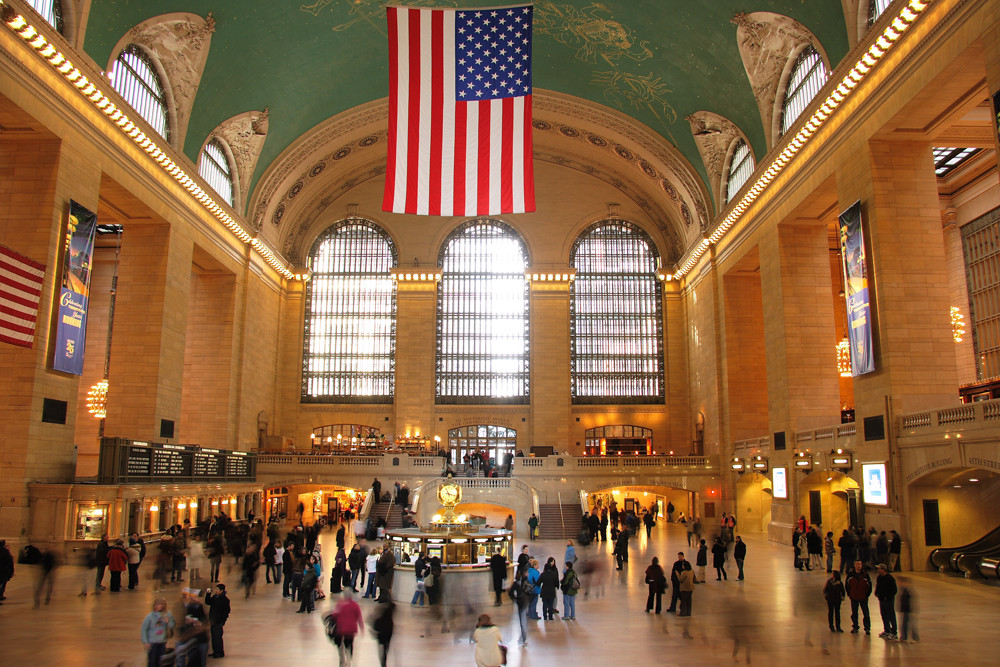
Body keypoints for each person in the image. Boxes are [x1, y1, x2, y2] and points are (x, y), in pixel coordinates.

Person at [327, 589, 364, 666]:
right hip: (351, 629)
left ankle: (342, 658)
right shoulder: (355, 605)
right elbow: (359, 617)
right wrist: (362, 628)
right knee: (350, 643)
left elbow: (334, 615)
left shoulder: (340, 604)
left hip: (341, 628)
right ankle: (349, 658)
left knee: (340, 644)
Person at [141, 597, 175, 667]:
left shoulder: (168, 614)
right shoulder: (150, 616)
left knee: (161, 662)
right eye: (156, 605)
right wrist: (145, 641)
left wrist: (167, 621)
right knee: (152, 662)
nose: (157, 606)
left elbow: (172, 625)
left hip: (162, 642)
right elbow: (144, 629)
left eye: (159, 605)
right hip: (152, 643)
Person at [846, 560, 872, 635]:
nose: (859, 566)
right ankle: (855, 627)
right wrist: (850, 594)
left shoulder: (865, 575)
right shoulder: (850, 575)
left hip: (863, 597)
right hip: (854, 597)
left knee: (866, 613)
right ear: (854, 565)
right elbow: (847, 585)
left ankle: (867, 628)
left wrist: (866, 595)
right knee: (854, 613)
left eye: (860, 564)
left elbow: (869, 586)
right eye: (857, 564)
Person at [204, 583, 231, 658]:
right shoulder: (215, 597)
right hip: (213, 620)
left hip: (218, 621)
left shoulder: (225, 600)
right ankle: (215, 651)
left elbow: (227, 611)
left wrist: (223, 621)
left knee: (218, 637)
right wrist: (208, 594)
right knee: (213, 637)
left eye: (217, 589)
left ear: (221, 590)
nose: (216, 591)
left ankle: (220, 652)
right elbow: (208, 602)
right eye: (216, 589)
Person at [874, 563, 898, 640]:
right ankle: (887, 630)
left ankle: (894, 632)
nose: (878, 570)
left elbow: (894, 590)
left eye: (879, 568)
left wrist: (887, 597)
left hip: (888, 600)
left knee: (891, 616)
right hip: (881, 600)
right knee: (884, 615)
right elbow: (878, 586)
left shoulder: (890, 578)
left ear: (883, 569)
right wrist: (877, 593)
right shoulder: (879, 578)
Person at [509, 568, 531, 645]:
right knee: (524, 619)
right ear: (524, 573)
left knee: (522, 620)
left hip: (520, 603)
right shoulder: (526, 582)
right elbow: (530, 591)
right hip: (525, 602)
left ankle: (523, 636)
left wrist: (515, 599)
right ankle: (524, 637)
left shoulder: (516, 583)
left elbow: (510, 593)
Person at [372, 600, 395, 667]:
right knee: (386, 647)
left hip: (382, 634)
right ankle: (384, 661)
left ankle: (383, 662)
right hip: (388, 632)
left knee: (382, 649)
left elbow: (375, 626)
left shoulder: (381, 618)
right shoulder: (390, 620)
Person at [898, 577, 919, 642]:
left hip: (908, 610)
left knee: (910, 624)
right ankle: (904, 637)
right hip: (905, 610)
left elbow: (909, 601)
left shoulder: (908, 591)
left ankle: (915, 638)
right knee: (905, 624)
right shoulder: (903, 590)